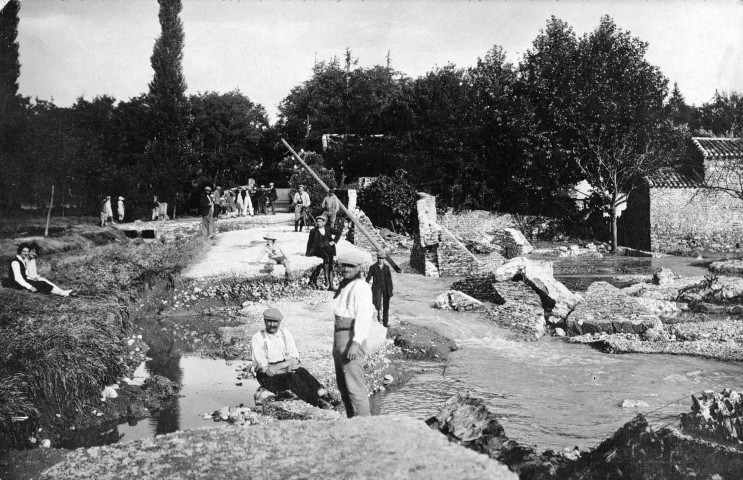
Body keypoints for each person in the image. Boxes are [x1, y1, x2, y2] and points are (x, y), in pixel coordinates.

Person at [251, 308, 334, 409]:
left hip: (280, 369)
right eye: (269, 321)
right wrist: (286, 367)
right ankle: (317, 402)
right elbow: (264, 369)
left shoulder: (285, 334)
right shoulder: (257, 338)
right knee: (292, 377)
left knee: (301, 371)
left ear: (279, 322)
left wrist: (279, 367)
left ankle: (324, 395)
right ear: (265, 321)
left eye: (275, 322)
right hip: (267, 378)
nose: (272, 325)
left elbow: (295, 360)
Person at [332, 249, 373, 418]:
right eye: (344, 266)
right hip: (340, 336)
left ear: (358, 268)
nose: (346, 269)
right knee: (343, 386)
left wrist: (355, 343)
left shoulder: (361, 287)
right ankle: (352, 421)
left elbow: (364, 317)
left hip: (351, 337)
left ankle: (365, 425)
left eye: (350, 266)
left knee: (355, 387)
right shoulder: (345, 285)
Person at [306, 214, 342, 290]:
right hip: (318, 249)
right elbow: (309, 242)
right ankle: (327, 283)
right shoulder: (313, 231)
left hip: (329, 249)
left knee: (331, 262)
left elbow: (339, 232)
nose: (318, 223)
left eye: (320, 222)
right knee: (325, 257)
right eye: (317, 221)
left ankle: (331, 285)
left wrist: (334, 241)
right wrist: (308, 252)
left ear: (324, 223)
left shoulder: (328, 228)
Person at [366, 250, 394, 327]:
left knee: (386, 306)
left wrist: (390, 291)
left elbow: (389, 280)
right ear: (377, 258)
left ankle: (385, 323)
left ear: (383, 259)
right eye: (378, 258)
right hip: (376, 288)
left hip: (385, 288)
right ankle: (378, 318)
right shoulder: (373, 267)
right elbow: (368, 278)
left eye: (381, 258)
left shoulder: (387, 268)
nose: (380, 260)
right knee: (377, 304)